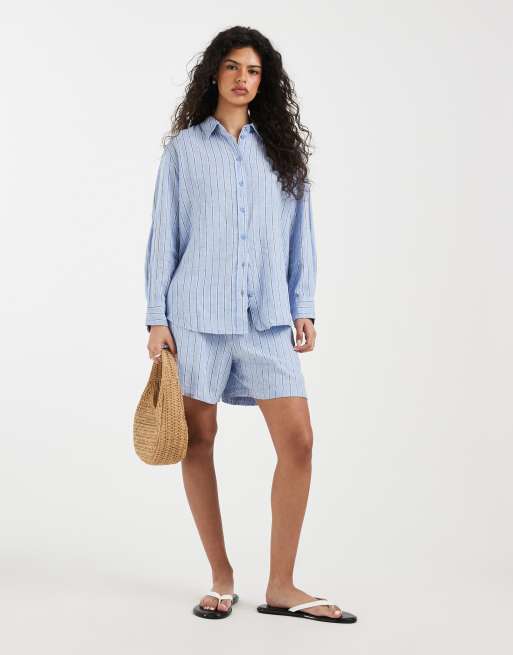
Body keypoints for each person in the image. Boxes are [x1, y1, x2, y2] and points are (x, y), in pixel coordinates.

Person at [144, 26, 356, 624]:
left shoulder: (282, 153)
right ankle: (220, 576)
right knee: (198, 440)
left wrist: (303, 305)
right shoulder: (184, 151)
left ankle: (282, 585)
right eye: (233, 67)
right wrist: (157, 318)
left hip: (266, 319)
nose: (243, 78)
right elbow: (164, 237)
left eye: (254, 70)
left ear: (265, 81)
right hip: (196, 319)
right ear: (214, 72)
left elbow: (300, 236)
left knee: (299, 442)